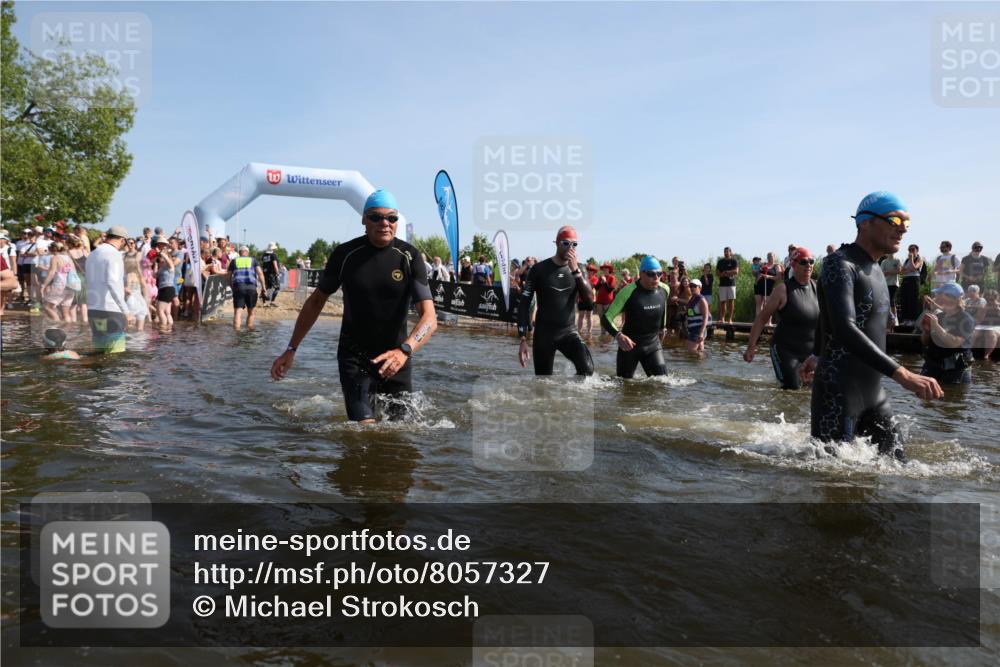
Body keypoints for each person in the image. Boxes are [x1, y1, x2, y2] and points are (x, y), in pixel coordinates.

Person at [271, 189, 438, 423]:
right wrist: (291, 349)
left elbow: (430, 318)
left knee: (401, 433)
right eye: (376, 217)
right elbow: (316, 301)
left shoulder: (409, 257)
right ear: (364, 220)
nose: (385, 223)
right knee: (364, 431)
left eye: (391, 218)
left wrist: (405, 351)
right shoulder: (345, 254)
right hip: (355, 358)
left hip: (396, 359)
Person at [799, 191, 943, 461]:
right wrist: (903, 374)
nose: (902, 229)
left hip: (874, 392)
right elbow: (844, 327)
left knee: (900, 466)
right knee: (829, 477)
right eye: (894, 221)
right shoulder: (839, 264)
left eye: (907, 223)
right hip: (838, 391)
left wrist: (817, 352)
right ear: (865, 222)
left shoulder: (876, 268)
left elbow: (826, 316)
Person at [517, 226, 594, 376]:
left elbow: (589, 302)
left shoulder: (580, 268)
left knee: (587, 370)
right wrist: (523, 339)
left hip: (568, 332)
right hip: (544, 335)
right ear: (557, 243)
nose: (570, 248)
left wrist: (575, 271)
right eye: (566, 243)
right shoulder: (538, 269)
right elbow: (524, 304)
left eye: (574, 244)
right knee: (543, 383)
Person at [744, 247, 818, 389]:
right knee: (792, 388)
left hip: (810, 351)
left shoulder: (818, 288)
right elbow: (761, 318)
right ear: (794, 264)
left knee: (812, 391)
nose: (808, 265)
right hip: (785, 350)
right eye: (804, 262)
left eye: (811, 261)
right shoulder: (782, 289)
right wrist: (751, 347)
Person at [601, 255, 670, 377]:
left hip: (653, 345)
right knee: (624, 384)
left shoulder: (665, 289)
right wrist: (618, 336)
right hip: (629, 346)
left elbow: (663, 308)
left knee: (662, 383)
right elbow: (606, 317)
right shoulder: (628, 291)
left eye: (659, 274)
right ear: (642, 274)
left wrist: (663, 327)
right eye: (651, 274)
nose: (656, 278)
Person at [918, 283, 975, 385]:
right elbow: (925, 342)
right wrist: (926, 332)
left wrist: (936, 326)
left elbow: (954, 343)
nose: (936, 298)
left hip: (955, 368)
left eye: (940, 295)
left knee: (952, 394)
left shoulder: (966, 319)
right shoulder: (939, 316)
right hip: (933, 364)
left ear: (951, 298)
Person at [85, 226, 130, 353]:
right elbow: (112, 282)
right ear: (122, 240)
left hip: (93, 310)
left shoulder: (93, 254)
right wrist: (126, 311)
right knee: (115, 356)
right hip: (111, 310)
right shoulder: (114, 254)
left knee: (99, 354)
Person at [229, 245, 267, 330]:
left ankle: (236, 332)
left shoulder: (234, 261)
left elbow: (228, 276)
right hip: (251, 288)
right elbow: (260, 273)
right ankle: (249, 332)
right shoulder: (253, 260)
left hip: (238, 287)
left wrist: (231, 287)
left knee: (238, 313)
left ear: (239, 253)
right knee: (251, 312)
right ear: (247, 252)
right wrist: (263, 287)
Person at [40, 241, 78, 322]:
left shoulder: (55, 258)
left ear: (53, 249)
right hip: (71, 286)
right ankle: (68, 328)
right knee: (66, 313)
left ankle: (57, 325)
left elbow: (51, 273)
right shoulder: (68, 258)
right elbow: (74, 272)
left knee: (48, 307)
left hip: (59, 285)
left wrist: (43, 285)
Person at [153, 237, 176, 331]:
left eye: (162, 258)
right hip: (163, 289)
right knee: (167, 312)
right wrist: (156, 264)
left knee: (160, 311)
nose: (161, 259)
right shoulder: (162, 268)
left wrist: (162, 253)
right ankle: (169, 330)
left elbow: (168, 260)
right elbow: (155, 276)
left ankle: (163, 330)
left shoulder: (170, 266)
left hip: (167, 289)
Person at [124, 252, 150, 331]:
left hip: (131, 301)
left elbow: (128, 290)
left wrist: (122, 288)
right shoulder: (139, 275)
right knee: (140, 329)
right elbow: (145, 289)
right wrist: (146, 303)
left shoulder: (128, 275)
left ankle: (130, 339)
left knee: (128, 328)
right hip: (141, 302)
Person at [899, 244, 924, 324]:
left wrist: (911, 259)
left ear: (917, 250)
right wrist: (908, 270)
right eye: (909, 250)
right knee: (904, 299)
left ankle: (912, 320)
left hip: (914, 279)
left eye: (913, 249)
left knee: (912, 299)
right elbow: (901, 272)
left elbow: (914, 268)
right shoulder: (907, 260)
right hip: (906, 279)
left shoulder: (919, 258)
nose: (911, 251)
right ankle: (905, 319)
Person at [972, 289, 1000, 360]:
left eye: (992, 299)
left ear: (996, 298)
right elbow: (978, 321)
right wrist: (983, 311)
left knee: (990, 334)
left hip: (996, 326)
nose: (990, 301)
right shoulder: (983, 306)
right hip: (982, 326)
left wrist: (998, 312)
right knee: (974, 333)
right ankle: (967, 352)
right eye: (987, 299)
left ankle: (986, 355)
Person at [685, 278, 711, 353]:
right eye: (691, 286)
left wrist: (701, 333)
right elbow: (691, 313)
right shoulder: (691, 300)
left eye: (694, 286)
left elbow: (705, 318)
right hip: (693, 329)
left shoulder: (701, 300)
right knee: (699, 353)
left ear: (700, 288)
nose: (692, 288)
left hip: (698, 329)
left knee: (690, 353)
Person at [715, 246, 739, 324]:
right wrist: (725, 274)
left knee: (731, 301)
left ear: (730, 252)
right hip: (722, 284)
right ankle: (722, 318)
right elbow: (717, 273)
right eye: (725, 252)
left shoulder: (734, 261)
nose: (726, 253)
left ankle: (730, 319)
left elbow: (736, 271)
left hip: (731, 284)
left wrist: (725, 272)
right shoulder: (720, 262)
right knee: (723, 302)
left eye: (727, 251)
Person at [880, 251, 902, 327]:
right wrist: (892, 271)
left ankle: (894, 318)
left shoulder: (897, 260)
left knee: (892, 300)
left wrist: (888, 272)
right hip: (885, 284)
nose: (890, 253)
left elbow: (899, 270)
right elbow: (881, 273)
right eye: (888, 252)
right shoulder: (884, 262)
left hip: (894, 284)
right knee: (886, 301)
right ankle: (888, 318)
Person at [577, 264, 598, 335]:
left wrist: (584, 281)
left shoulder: (595, 279)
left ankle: (589, 331)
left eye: (591, 270)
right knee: (581, 316)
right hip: (581, 299)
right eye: (588, 270)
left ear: (593, 272)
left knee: (589, 316)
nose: (589, 271)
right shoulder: (582, 277)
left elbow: (592, 286)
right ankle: (579, 331)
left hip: (590, 300)